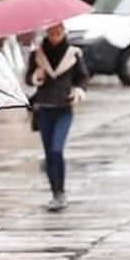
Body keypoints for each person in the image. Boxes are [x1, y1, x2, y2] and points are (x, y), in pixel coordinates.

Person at [25, 22, 89, 212]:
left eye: (58, 33)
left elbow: (82, 77)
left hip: (64, 109)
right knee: (48, 154)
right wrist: (36, 75)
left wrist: (78, 91)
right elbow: (28, 78)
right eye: (51, 33)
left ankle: (61, 192)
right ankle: (55, 193)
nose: (54, 37)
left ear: (63, 33)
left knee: (56, 150)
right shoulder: (38, 55)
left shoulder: (73, 54)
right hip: (44, 109)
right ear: (47, 33)